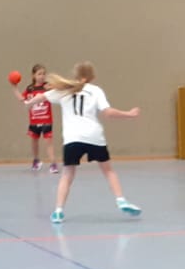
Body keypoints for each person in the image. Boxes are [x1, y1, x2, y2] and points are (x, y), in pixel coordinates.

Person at [27, 62, 141, 224]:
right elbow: (108, 113)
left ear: (76, 75)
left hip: (73, 138)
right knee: (108, 171)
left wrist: (28, 103)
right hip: (94, 136)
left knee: (67, 175)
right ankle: (121, 200)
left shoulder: (65, 90)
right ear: (91, 77)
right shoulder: (96, 91)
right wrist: (129, 114)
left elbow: (41, 97)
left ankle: (58, 211)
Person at [12, 64, 57, 173]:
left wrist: (53, 86)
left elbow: (57, 89)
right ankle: (36, 160)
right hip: (34, 121)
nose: (42, 76)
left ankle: (53, 164)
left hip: (46, 120)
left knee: (49, 143)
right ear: (34, 75)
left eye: (44, 74)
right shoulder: (30, 89)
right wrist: (14, 87)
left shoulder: (47, 87)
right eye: (39, 74)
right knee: (34, 142)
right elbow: (22, 99)